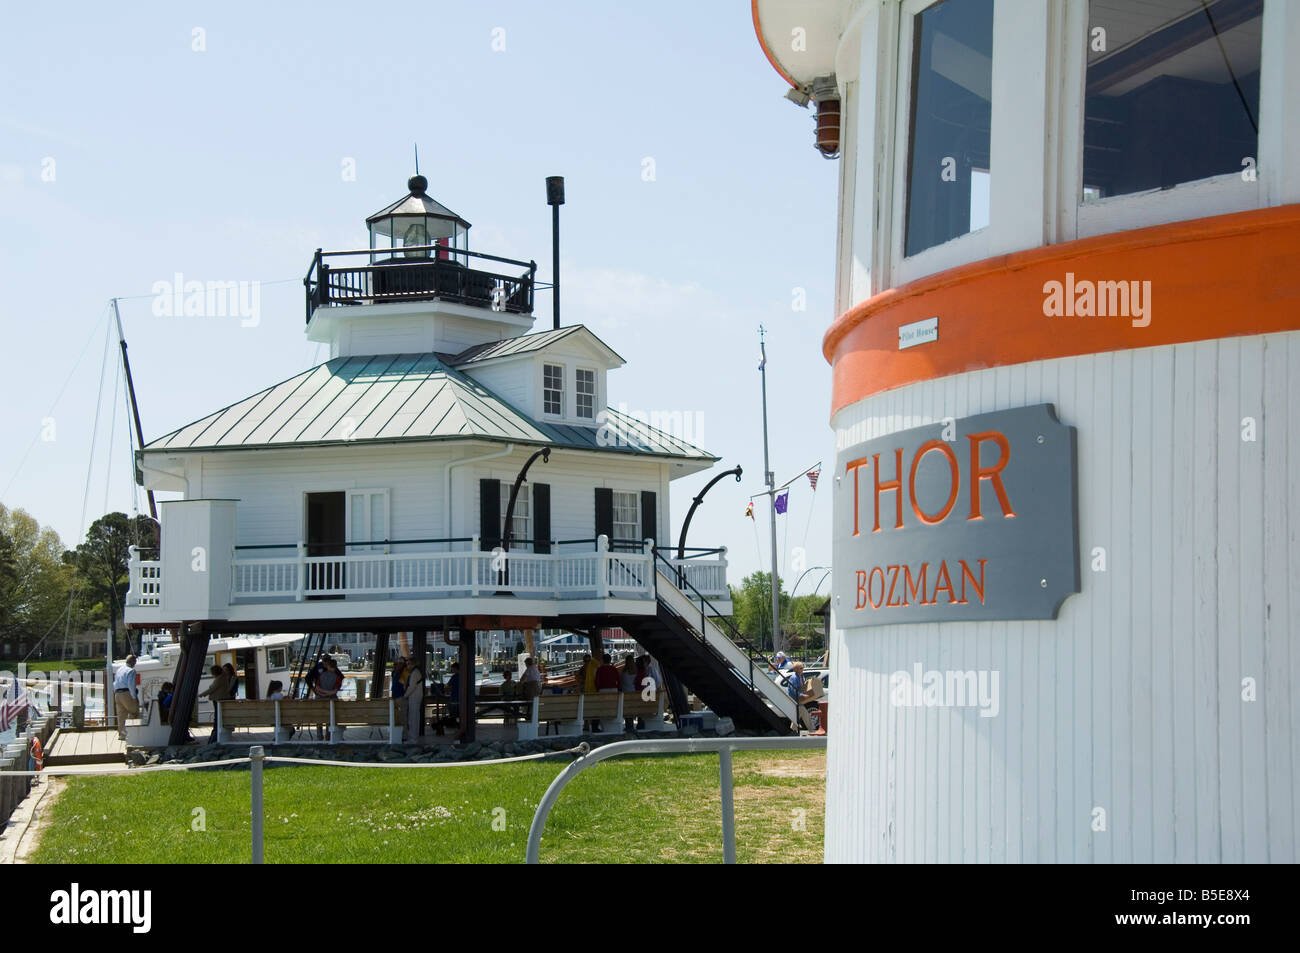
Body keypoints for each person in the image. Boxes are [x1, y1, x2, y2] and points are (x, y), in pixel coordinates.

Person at [199, 665, 233, 744]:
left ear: (215, 672)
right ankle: (214, 737)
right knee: (218, 717)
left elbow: (212, 689)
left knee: (217, 718)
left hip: (219, 700)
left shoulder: (219, 679)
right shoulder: (223, 678)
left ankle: (213, 738)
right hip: (220, 699)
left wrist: (201, 694)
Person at [111, 655, 140, 740]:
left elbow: (114, 683)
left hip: (117, 693)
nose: (135, 664)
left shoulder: (119, 670)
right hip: (126, 693)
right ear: (132, 662)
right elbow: (131, 685)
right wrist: (134, 697)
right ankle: (132, 733)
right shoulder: (131, 671)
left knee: (121, 714)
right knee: (134, 711)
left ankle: (122, 734)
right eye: (135, 662)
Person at [785, 661, 816, 730]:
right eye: (801, 668)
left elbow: (803, 687)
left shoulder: (802, 676)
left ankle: (793, 729)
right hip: (794, 699)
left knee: (799, 714)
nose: (803, 669)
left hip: (799, 699)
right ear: (796, 669)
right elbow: (794, 690)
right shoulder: (794, 678)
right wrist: (803, 695)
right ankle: (812, 730)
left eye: (803, 668)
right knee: (804, 713)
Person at [403, 655, 425, 743]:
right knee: (414, 717)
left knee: (413, 718)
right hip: (415, 697)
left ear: (412, 664)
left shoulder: (415, 672)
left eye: (408, 664)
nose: (407, 665)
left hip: (415, 697)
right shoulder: (415, 672)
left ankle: (413, 738)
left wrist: (405, 695)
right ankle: (413, 737)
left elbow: (412, 686)